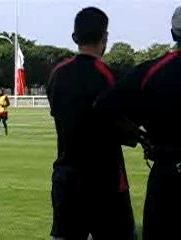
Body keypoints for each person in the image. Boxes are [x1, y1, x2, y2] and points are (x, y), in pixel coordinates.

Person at [47, 7, 136, 240]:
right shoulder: (109, 75)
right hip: (105, 181)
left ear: (75, 37)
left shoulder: (57, 73)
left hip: (66, 179)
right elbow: (124, 124)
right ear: (104, 37)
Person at [94, 6, 181, 240]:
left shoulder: (151, 71)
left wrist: (141, 136)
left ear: (173, 34)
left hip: (168, 177)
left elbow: (103, 107)